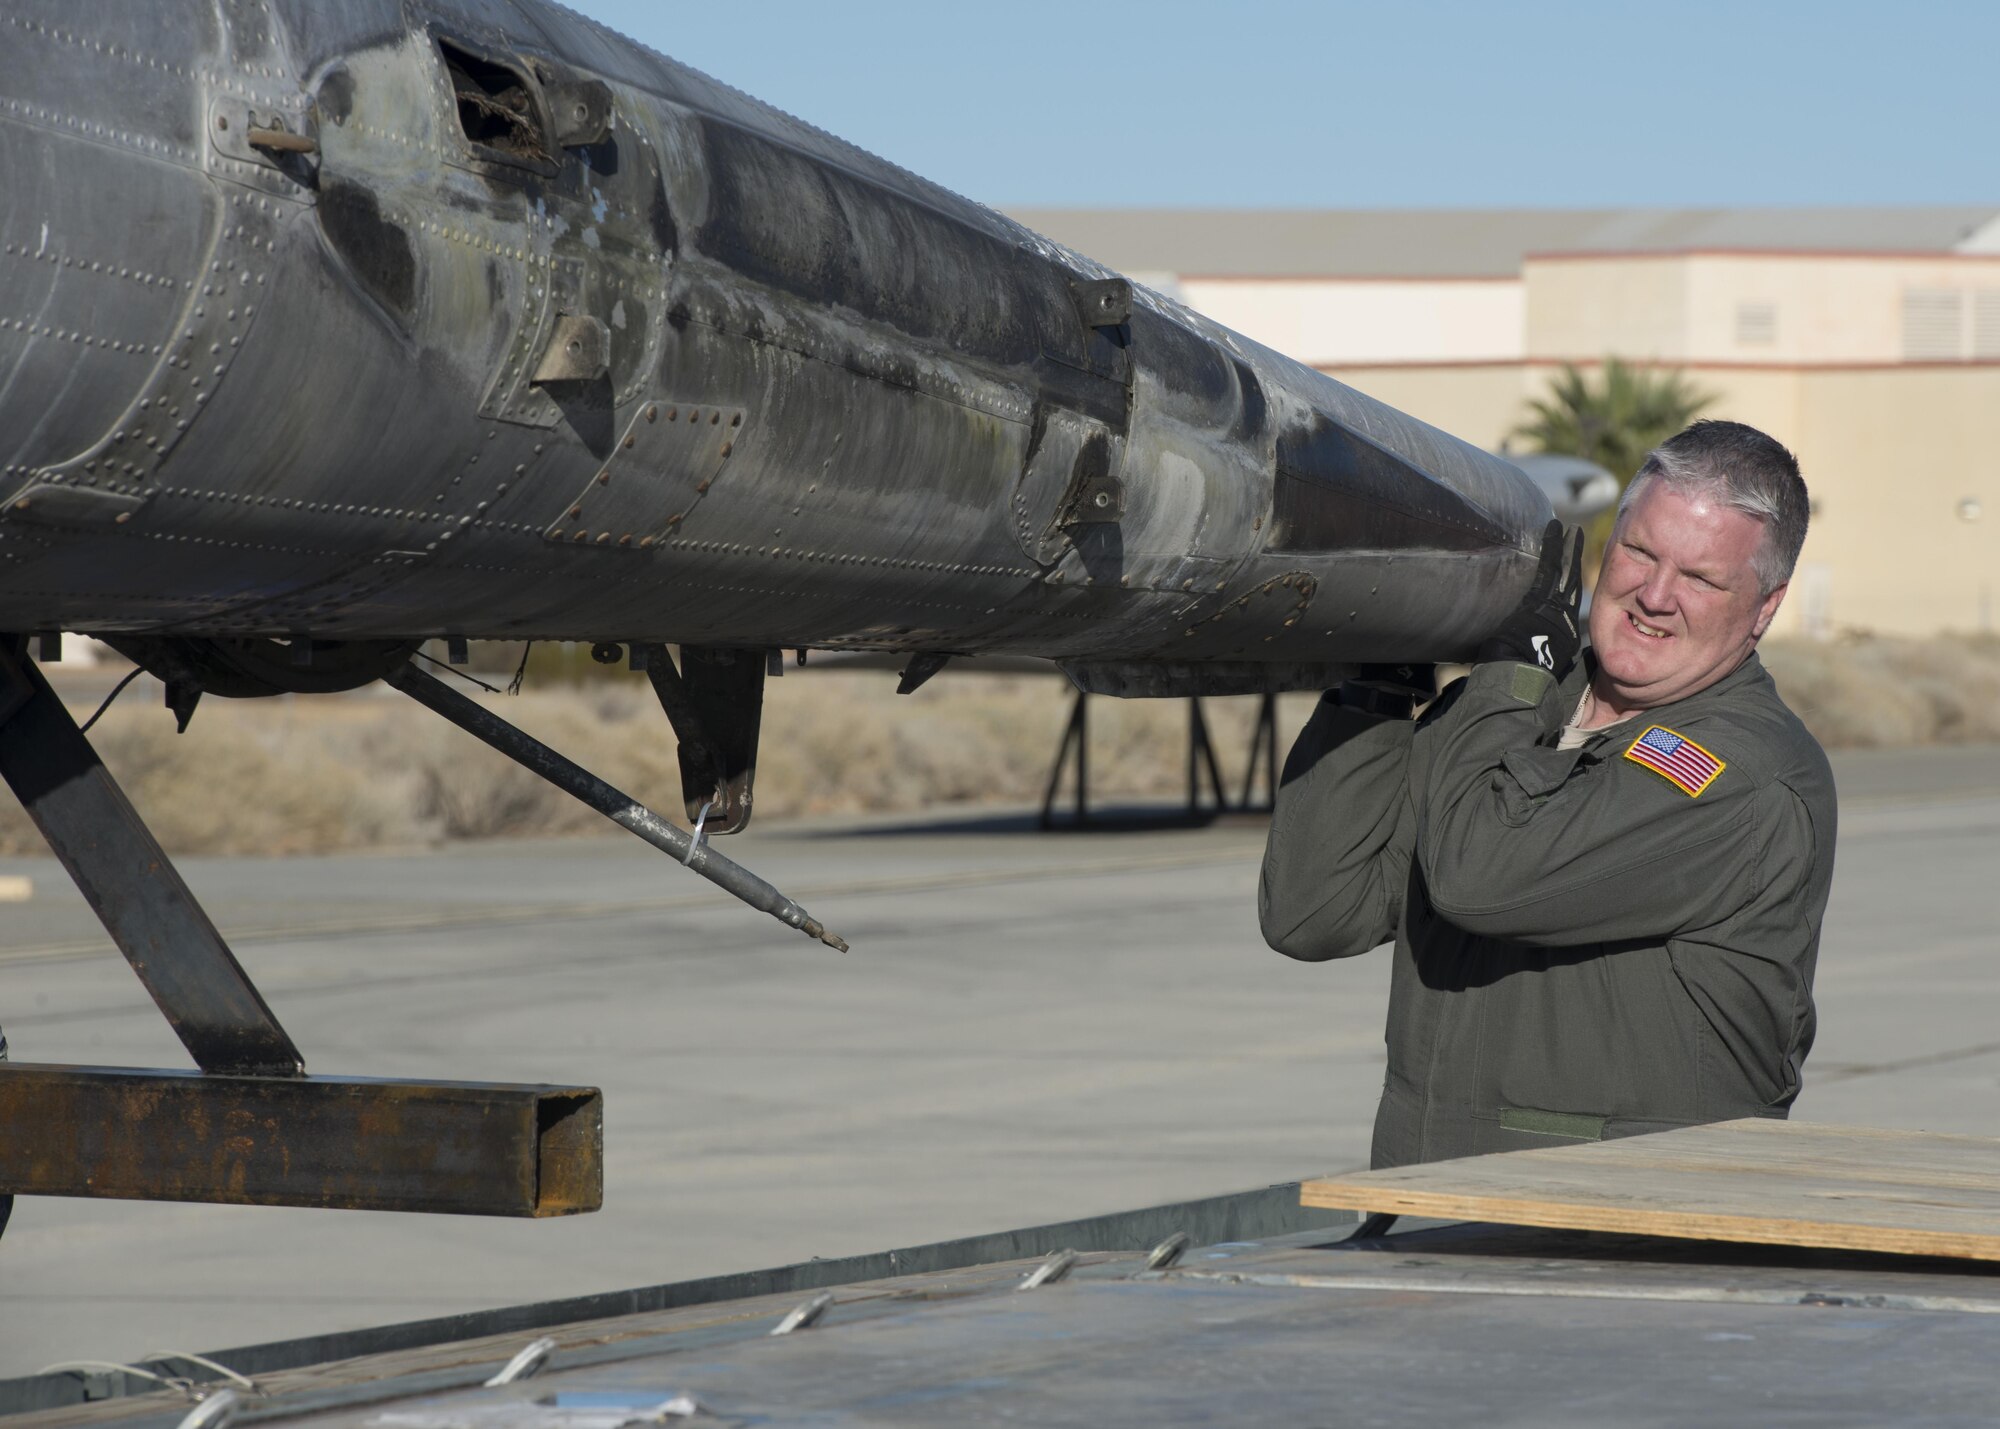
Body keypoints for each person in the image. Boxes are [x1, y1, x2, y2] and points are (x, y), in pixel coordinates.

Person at [1261, 420, 1835, 1169]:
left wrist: (1508, 675)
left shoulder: (1741, 775)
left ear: (1764, 606)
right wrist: (1375, 688)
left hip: (1618, 1239)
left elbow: (1480, 875)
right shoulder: (1523, 707)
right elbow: (1314, 912)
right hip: (1433, 1219)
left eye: (1701, 579)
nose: (1655, 595)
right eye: (1639, 551)